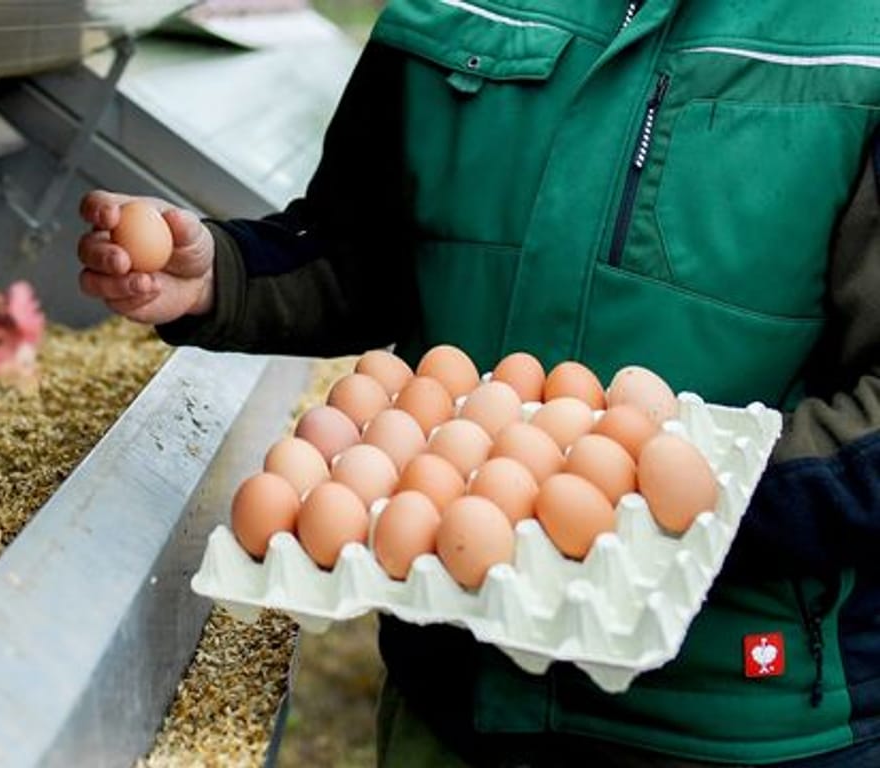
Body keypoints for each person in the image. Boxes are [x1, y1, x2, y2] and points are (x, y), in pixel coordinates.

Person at [76, 1, 880, 766]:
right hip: (460, 693)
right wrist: (225, 274)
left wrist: (676, 509)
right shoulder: (453, 8)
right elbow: (364, 248)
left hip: (746, 716)